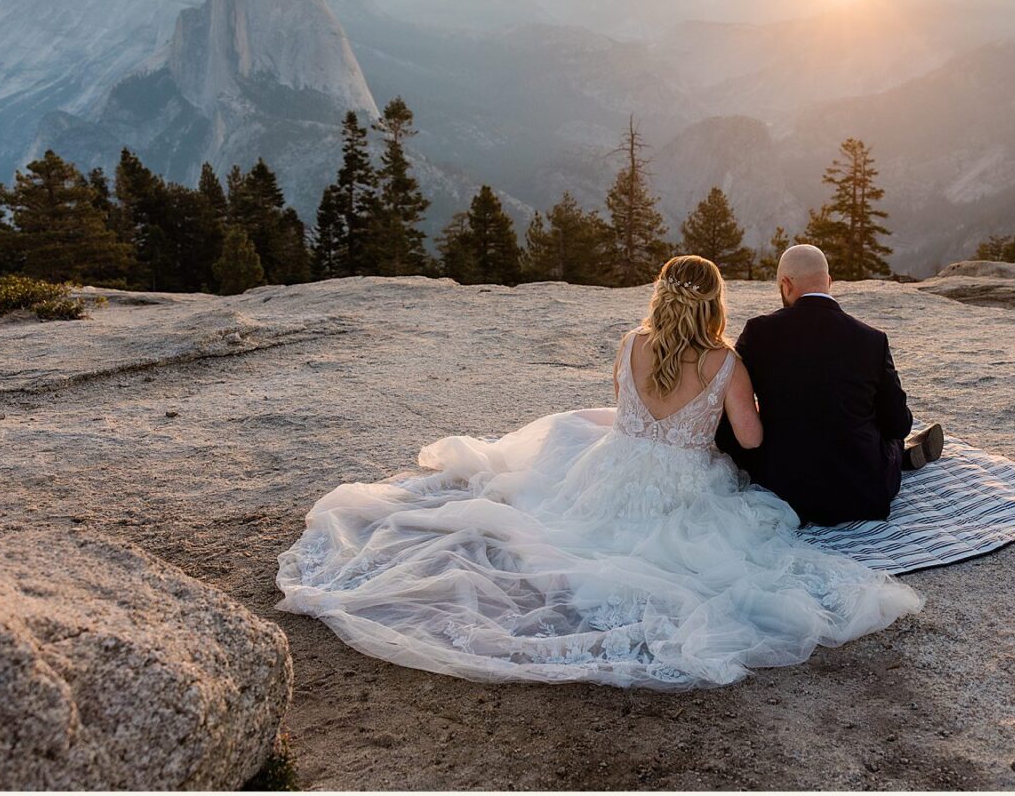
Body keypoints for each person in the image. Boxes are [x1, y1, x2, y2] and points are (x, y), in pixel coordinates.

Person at [276, 254, 922, 689]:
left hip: (612, 474)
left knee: (558, 517)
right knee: (738, 558)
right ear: (717, 304)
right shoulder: (725, 362)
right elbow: (749, 436)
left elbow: (625, 410)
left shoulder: (633, 343)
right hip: (685, 488)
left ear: (662, 297)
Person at [715, 244, 944, 526]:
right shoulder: (872, 340)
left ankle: (898, 456)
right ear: (829, 283)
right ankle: (900, 457)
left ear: (786, 285)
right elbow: (898, 424)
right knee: (885, 432)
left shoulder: (759, 332)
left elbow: (731, 408)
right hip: (861, 494)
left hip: (783, 490)